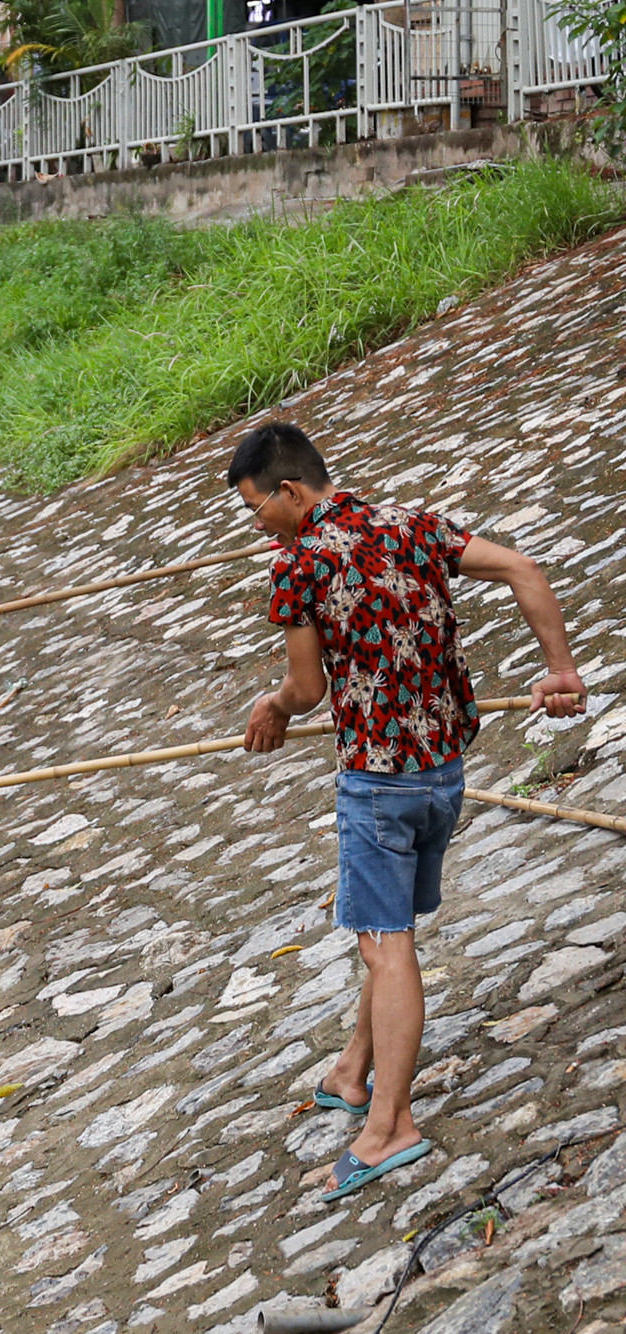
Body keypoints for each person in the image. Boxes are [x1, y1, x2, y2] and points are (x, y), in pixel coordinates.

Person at [230, 421, 585, 1202]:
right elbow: (523, 567)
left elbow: (307, 689)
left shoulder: (300, 567)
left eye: (258, 509)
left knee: (384, 947)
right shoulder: (412, 527)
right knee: (388, 931)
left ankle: (390, 1124)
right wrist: (558, 669)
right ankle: (353, 1074)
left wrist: (271, 708)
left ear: (290, 493)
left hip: (378, 784)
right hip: (444, 776)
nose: (258, 525)